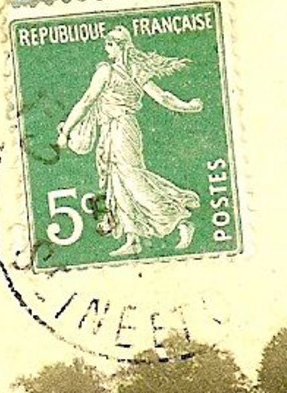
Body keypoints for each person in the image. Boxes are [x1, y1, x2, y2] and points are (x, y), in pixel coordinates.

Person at [56, 25, 204, 258]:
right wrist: (186, 106)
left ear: (118, 46)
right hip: (116, 129)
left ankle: (177, 221)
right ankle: (132, 237)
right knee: (117, 183)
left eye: (109, 44)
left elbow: (86, 101)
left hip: (121, 129)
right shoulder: (135, 71)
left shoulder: (107, 72)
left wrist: (66, 131)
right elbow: (163, 97)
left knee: (132, 179)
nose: (107, 49)